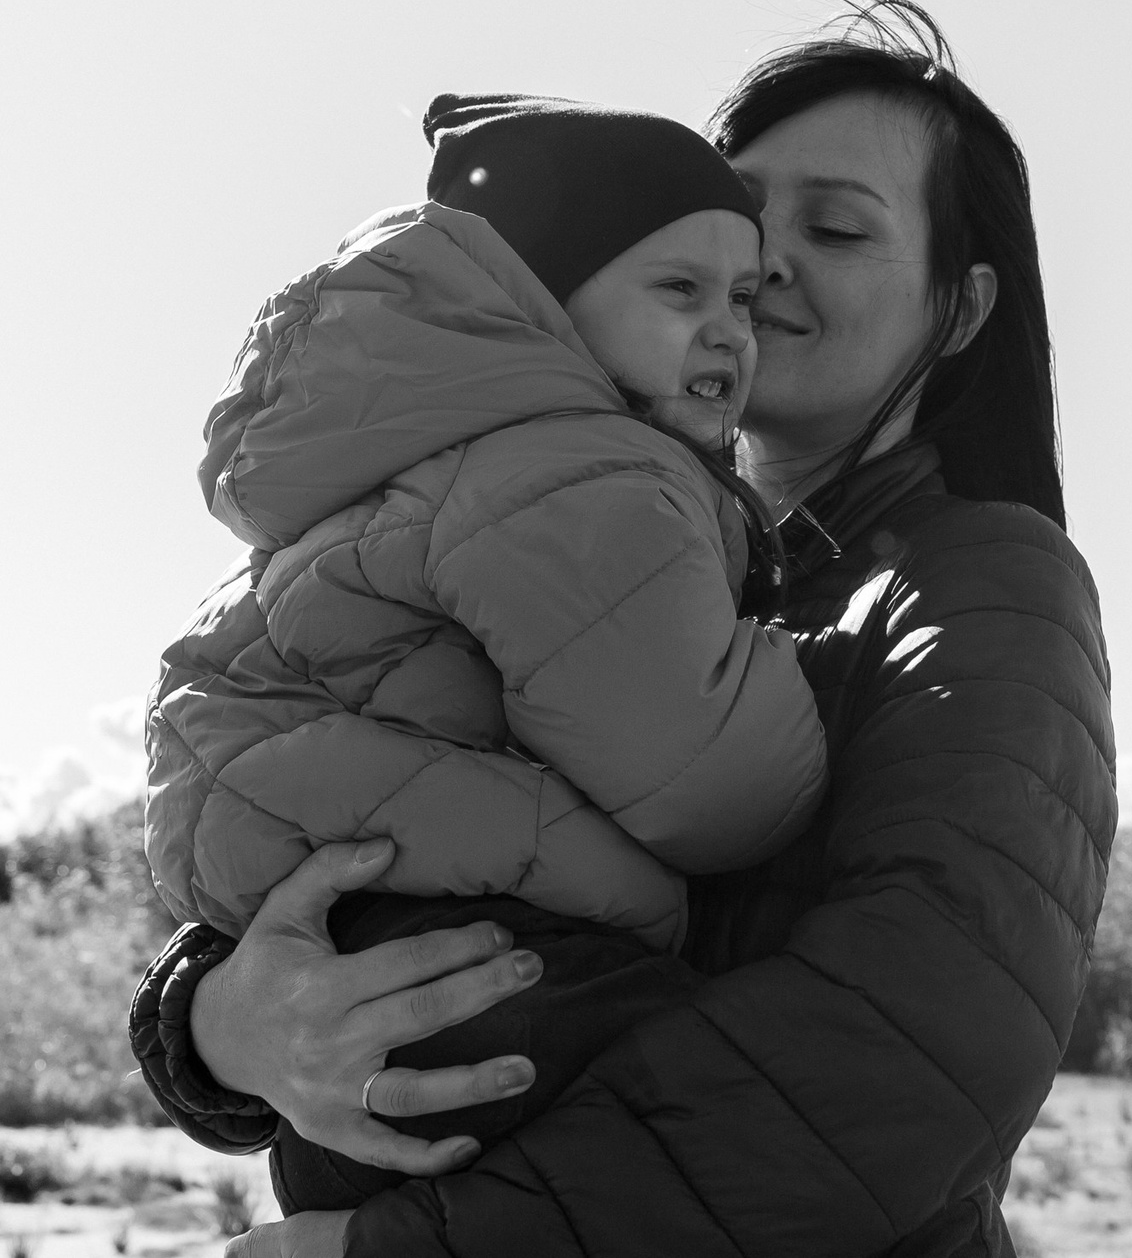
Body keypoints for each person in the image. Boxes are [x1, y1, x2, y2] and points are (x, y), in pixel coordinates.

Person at [129, 0, 1117, 1257]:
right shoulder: (572, 531)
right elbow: (355, 811)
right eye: (737, 225)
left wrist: (415, 1250)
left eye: (835, 228)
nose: (768, 267)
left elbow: (915, 1047)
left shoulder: (981, 580)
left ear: (960, 310)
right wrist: (214, 1021)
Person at [142, 95, 830, 1208]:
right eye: (679, 290)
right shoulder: (585, 475)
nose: (730, 332)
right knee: (758, 1145)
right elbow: (712, 786)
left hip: (365, 969)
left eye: (743, 298)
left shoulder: (430, 459)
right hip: (476, 962)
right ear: (536, 305)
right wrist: (813, 668)